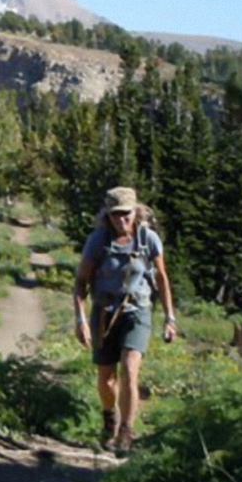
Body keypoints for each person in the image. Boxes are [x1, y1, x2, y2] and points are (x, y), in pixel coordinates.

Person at [73, 186, 177, 455]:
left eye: (126, 214)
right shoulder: (98, 241)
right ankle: (110, 419)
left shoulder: (148, 239)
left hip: (137, 310)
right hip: (104, 312)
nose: (121, 219)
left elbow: (162, 279)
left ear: (135, 212)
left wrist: (170, 318)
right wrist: (80, 320)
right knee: (106, 377)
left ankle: (126, 432)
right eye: (115, 214)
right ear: (107, 215)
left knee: (130, 369)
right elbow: (81, 282)